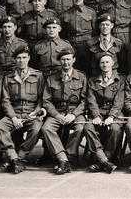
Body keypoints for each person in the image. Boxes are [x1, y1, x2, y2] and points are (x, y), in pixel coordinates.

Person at [0, 45, 45, 174]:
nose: (21, 61)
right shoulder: (8, 77)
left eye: (24, 58)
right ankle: (13, 156)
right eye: (18, 58)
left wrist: (37, 111)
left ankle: (20, 156)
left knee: (36, 129)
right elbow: (5, 101)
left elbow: (41, 98)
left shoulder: (37, 76)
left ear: (28, 58)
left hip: (31, 112)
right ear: (15, 60)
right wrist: (13, 117)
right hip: (14, 112)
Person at [41, 47, 88, 175]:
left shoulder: (81, 77)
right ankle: (63, 159)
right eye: (63, 60)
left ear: (74, 60)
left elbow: (85, 101)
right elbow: (46, 101)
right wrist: (56, 115)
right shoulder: (52, 78)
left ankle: (69, 156)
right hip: (57, 111)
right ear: (59, 61)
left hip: (75, 112)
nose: (65, 62)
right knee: (46, 128)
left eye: (68, 59)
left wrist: (73, 115)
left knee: (80, 128)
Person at [82, 53, 124, 174]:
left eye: (107, 62)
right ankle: (105, 161)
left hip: (115, 113)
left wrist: (111, 116)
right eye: (102, 63)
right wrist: (95, 116)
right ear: (99, 65)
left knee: (115, 129)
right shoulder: (92, 80)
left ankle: (102, 160)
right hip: (98, 112)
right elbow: (91, 100)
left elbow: (119, 101)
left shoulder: (120, 79)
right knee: (88, 127)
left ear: (112, 63)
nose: (105, 65)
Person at [60, 0, 96, 74]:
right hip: (72, 46)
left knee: (88, 69)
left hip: (87, 46)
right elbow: (63, 33)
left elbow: (95, 32)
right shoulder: (65, 15)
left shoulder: (91, 12)